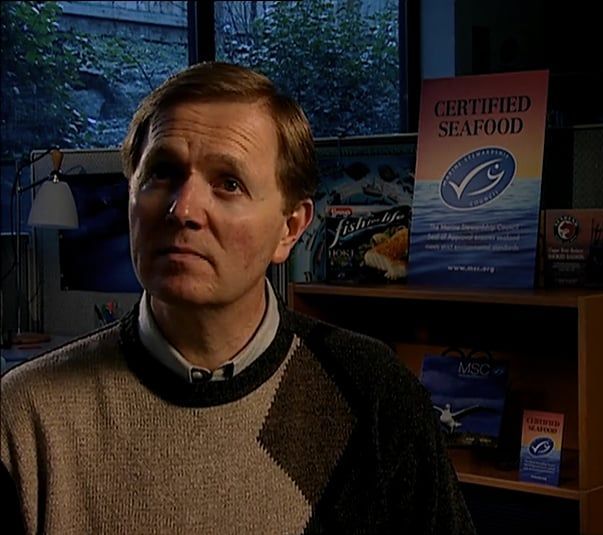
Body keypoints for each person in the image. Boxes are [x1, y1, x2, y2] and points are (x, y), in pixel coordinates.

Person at [1, 61, 476, 534]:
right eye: (162, 173)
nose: (183, 209)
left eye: (228, 183)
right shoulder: (24, 419)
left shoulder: (374, 398)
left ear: (289, 229)